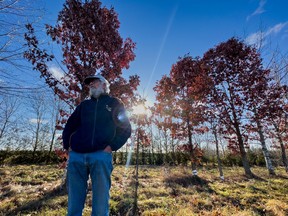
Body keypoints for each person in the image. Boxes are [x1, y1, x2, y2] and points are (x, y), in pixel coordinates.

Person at [62, 73, 131, 216]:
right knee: (74, 201)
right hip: (76, 157)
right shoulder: (84, 105)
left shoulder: (114, 104)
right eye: (90, 83)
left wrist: (111, 147)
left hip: (100, 156)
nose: (91, 85)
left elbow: (125, 129)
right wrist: (67, 146)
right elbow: (70, 125)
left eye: (95, 82)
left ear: (104, 85)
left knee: (100, 202)